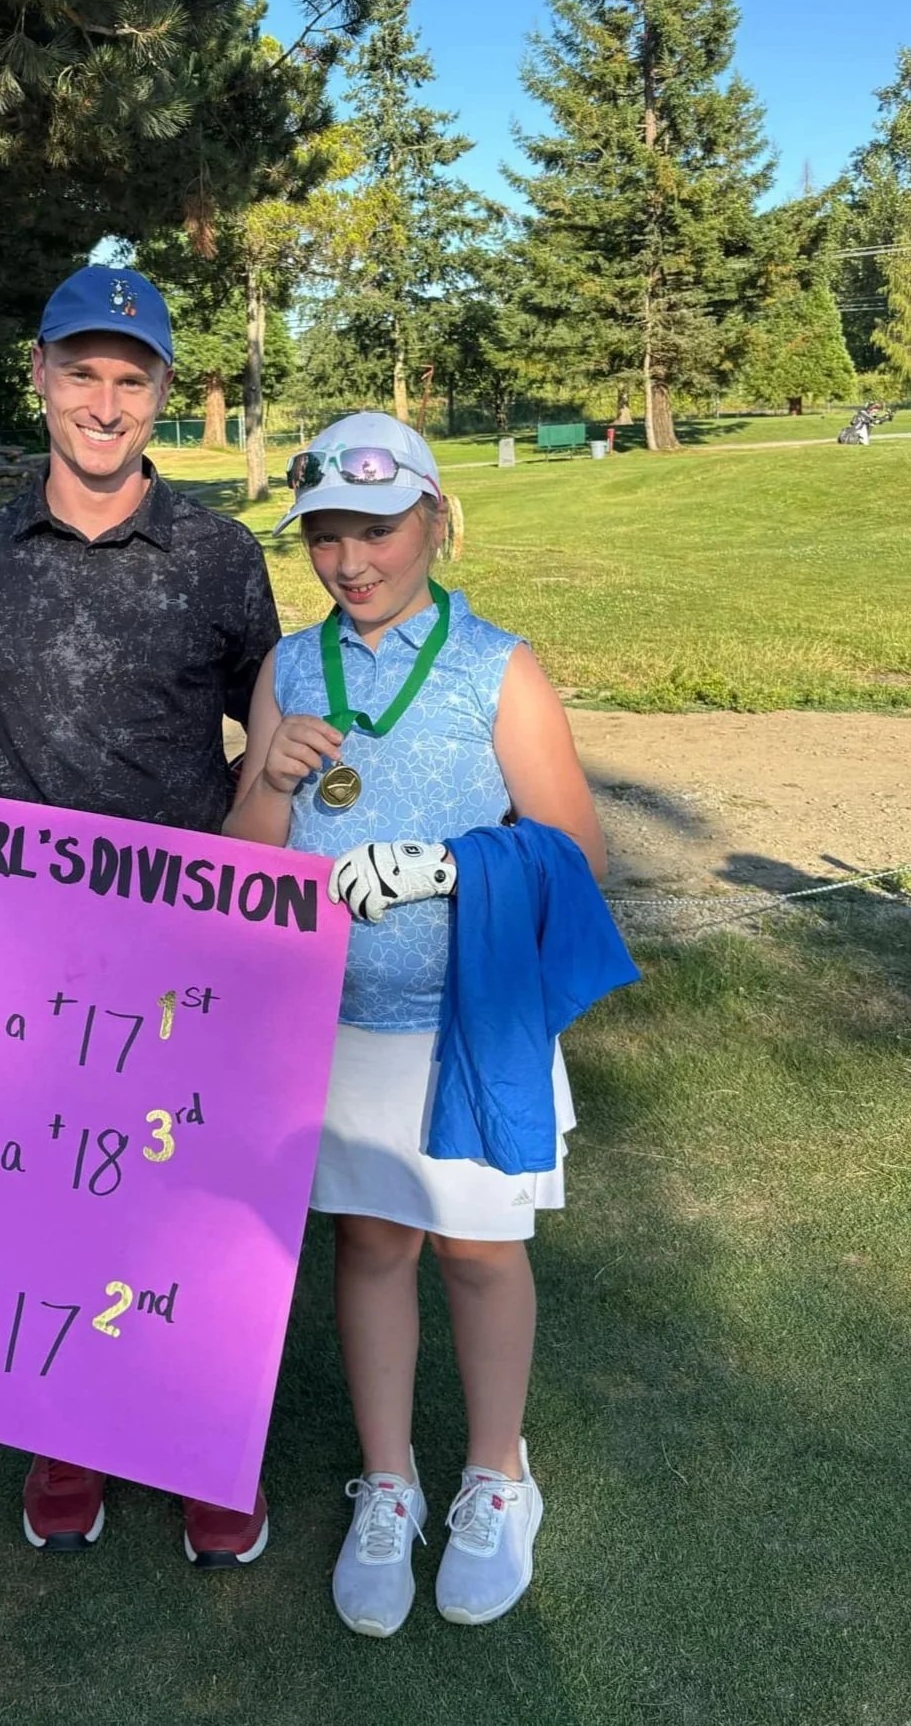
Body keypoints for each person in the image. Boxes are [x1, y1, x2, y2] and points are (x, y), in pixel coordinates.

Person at [0, 263, 280, 1567]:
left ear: (160, 392)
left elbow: (268, 722)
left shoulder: (218, 553)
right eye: (81, 373)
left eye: (130, 377)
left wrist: (262, 870)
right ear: (36, 376)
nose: (104, 401)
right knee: (63, 1203)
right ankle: (70, 1436)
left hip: (193, 935)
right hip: (38, 944)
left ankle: (208, 1445)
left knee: (200, 1205)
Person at [225, 410, 609, 1636]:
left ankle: (497, 1474)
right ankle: (388, 1484)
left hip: (470, 1024)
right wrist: (272, 778)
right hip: (333, 1028)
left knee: (482, 1252)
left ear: (436, 519)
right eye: (325, 536)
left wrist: (453, 869)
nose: (351, 561)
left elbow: (577, 856)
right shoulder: (286, 669)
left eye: (377, 529)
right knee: (374, 1247)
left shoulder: (499, 664)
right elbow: (238, 864)